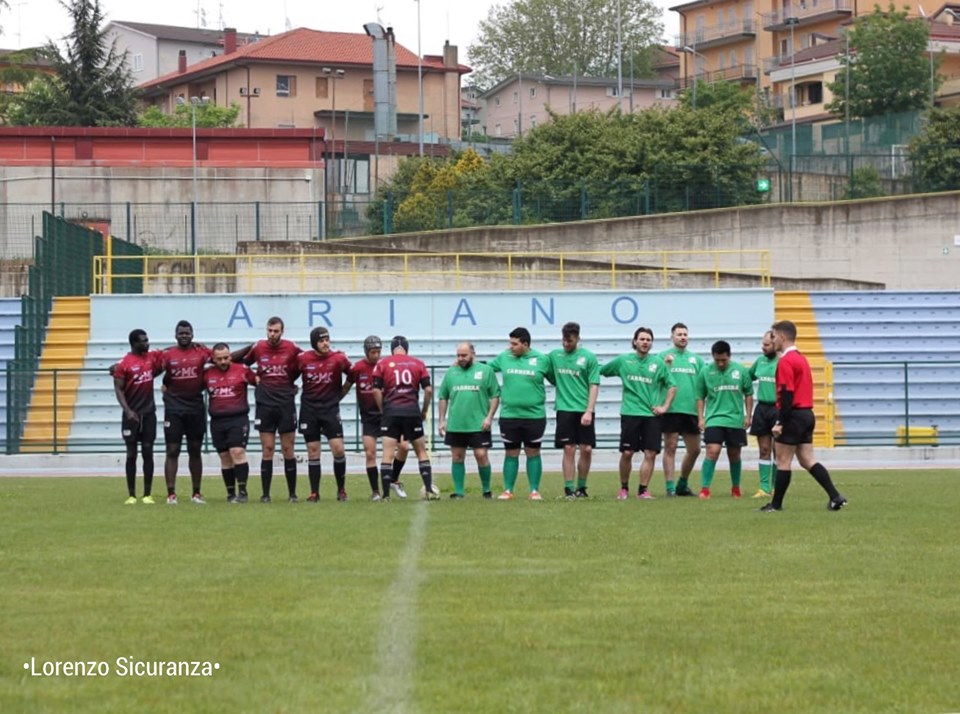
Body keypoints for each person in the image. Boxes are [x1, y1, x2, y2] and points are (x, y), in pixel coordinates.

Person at [762, 320, 847, 513]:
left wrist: (780, 422)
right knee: (807, 460)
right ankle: (835, 497)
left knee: (783, 460)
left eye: (773, 336)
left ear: (782, 337)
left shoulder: (786, 361)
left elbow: (786, 394)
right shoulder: (801, 358)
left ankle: (775, 505)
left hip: (792, 415)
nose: (772, 340)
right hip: (806, 414)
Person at [600, 327, 676, 500]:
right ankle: (624, 488)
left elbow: (672, 386)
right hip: (630, 413)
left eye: (648, 339)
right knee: (627, 452)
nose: (645, 342)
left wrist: (664, 407)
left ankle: (643, 490)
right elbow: (601, 371)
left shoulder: (658, 363)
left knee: (650, 453)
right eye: (642, 339)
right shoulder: (623, 361)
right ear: (635, 341)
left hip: (652, 416)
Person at [237, 316, 302, 503]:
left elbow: (305, 363)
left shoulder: (291, 348)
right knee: (268, 449)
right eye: (270, 331)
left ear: (282, 331)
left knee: (288, 449)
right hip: (265, 404)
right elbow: (243, 365)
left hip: (285, 404)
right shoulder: (258, 347)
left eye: (276, 331)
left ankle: (292, 494)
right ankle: (265, 494)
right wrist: (252, 378)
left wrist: (293, 383)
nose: (272, 334)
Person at [488, 327, 553, 501]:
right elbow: (486, 369)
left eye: (514, 344)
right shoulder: (504, 357)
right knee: (511, 453)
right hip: (509, 415)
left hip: (535, 416)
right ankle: (508, 490)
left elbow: (556, 380)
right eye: (510, 343)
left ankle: (534, 490)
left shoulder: (542, 359)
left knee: (533, 452)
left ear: (525, 344)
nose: (511, 347)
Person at [373, 335, 437, 500]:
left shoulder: (383, 363)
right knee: (421, 452)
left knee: (387, 453)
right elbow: (428, 390)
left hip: (391, 412)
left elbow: (375, 390)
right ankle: (429, 489)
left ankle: (386, 495)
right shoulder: (418, 363)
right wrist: (424, 410)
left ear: (391, 349)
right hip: (411, 412)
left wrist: (383, 410)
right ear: (406, 349)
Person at [345, 336, 409, 501]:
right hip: (368, 418)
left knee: (404, 447)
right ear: (366, 351)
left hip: (388, 415)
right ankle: (375, 491)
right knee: (370, 453)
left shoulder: (386, 365)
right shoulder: (357, 368)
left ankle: (394, 479)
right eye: (373, 352)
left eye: (378, 352)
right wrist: (333, 400)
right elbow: (347, 385)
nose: (376, 355)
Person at [437, 341, 500, 499]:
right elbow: (443, 397)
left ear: (473, 354)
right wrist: (441, 420)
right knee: (457, 456)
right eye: (458, 355)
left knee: (481, 455)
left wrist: (489, 417)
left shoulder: (485, 371)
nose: (460, 358)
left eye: (464, 355)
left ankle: (486, 490)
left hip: (479, 424)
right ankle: (459, 492)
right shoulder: (451, 372)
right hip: (456, 424)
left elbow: (495, 396)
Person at [158, 320, 212, 505]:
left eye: (187, 333)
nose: (184, 336)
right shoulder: (168, 354)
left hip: (195, 408)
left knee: (194, 450)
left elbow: (224, 356)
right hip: (174, 409)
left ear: (192, 334)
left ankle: (196, 493)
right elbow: (150, 367)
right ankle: (171, 494)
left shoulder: (201, 352)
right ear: (175, 335)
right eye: (181, 333)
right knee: (172, 450)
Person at [297, 326, 352, 502]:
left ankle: (341, 490)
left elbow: (353, 375)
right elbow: (289, 376)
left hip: (330, 410)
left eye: (327, 339)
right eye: (321, 340)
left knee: (338, 449)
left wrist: (340, 394)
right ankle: (314, 492)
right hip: (309, 410)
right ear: (314, 343)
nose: (325, 343)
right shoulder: (303, 359)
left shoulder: (338, 359)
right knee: (313, 451)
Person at [695, 340, 753, 499]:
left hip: (735, 420)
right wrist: (701, 418)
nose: (720, 363)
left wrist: (748, 415)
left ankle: (735, 488)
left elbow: (748, 393)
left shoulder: (740, 371)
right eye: (717, 360)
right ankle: (705, 489)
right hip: (714, 419)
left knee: (734, 455)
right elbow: (699, 396)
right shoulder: (705, 372)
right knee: (712, 451)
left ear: (729, 356)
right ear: (713, 357)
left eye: (723, 360)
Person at [548, 321, 600, 499]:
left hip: (584, 409)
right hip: (564, 409)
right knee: (568, 448)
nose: (566, 344)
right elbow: (547, 373)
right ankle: (569, 489)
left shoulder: (588, 358)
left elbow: (594, 385)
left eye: (569, 341)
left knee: (586, 449)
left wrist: (589, 410)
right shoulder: (554, 356)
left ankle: (582, 487)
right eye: (564, 340)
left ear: (578, 338)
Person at [113, 329, 164, 505]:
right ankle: (132, 495)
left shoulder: (151, 358)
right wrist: (127, 410)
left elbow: (169, 355)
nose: (147, 343)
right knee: (131, 454)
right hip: (131, 415)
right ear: (134, 343)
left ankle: (147, 494)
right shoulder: (124, 364)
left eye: (147, 340)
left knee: (148, 452)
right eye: (143, 341)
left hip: (149, 413)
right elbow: (118, 388)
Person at [203, 343, 257, 503]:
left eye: (226, 357)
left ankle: (243, 492)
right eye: (219, 359)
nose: (223, 361)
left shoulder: (242, 370)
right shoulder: (207, 374)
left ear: (230, 356)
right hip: (217, 421)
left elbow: (261, 382)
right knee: (225, 457)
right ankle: (230, 493)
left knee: (237, 452)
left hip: (238, 419)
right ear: (213, 359)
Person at [659, 322, 705, 497]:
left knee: (695, 450)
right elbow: (656, 380)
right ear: (672, 337)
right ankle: (670, 487)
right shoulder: (663, 357)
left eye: (685, 334)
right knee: (670, 447)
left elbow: (703, 385)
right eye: (679, 334)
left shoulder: (696, 360)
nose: (683, 337)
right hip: (671, 410)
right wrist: (666, 365)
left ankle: (682, 484)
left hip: (691, 410)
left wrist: (702, 414)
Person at [748, 331, 779, 498]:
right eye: (763, 344)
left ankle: (776, 486)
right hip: (762, 409)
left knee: (778, 450)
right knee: (764, 449)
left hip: (779, 409)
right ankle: (764, 487)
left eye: (767, 345)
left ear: (775, 344)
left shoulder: (783, 362)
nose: (763, 347)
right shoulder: (760, 361)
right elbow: (747, 378)